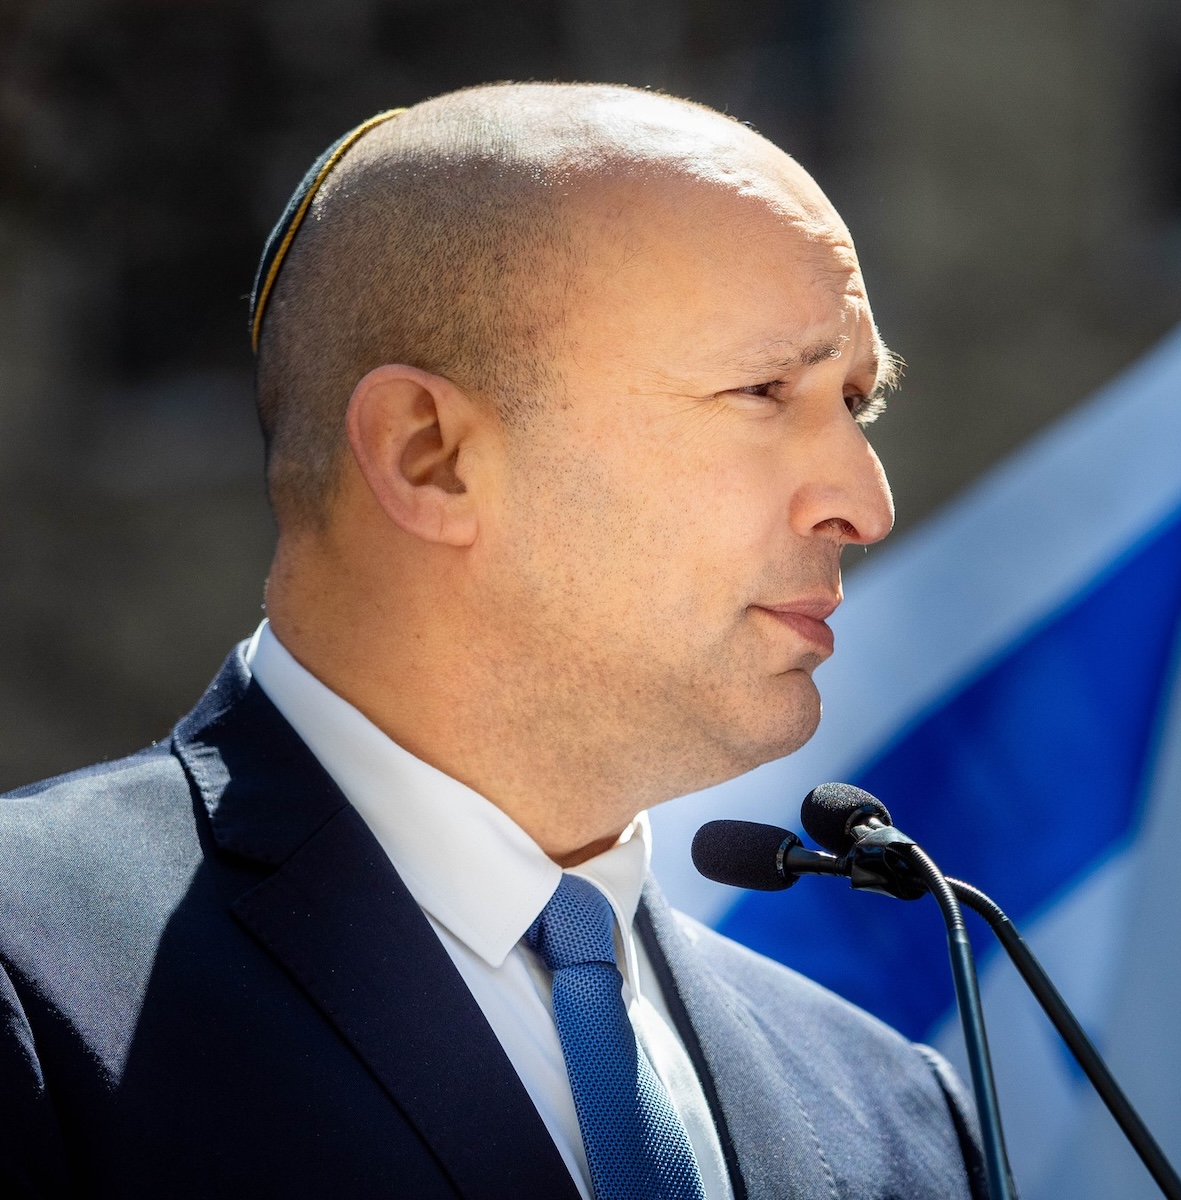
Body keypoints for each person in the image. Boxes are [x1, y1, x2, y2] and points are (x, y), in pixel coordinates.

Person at [0, 83, 986, 1198]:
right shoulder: (31, 979)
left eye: (856, 404)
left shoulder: (891, 1111)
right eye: (766, 389)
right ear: (431, 454)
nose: (865, 501)